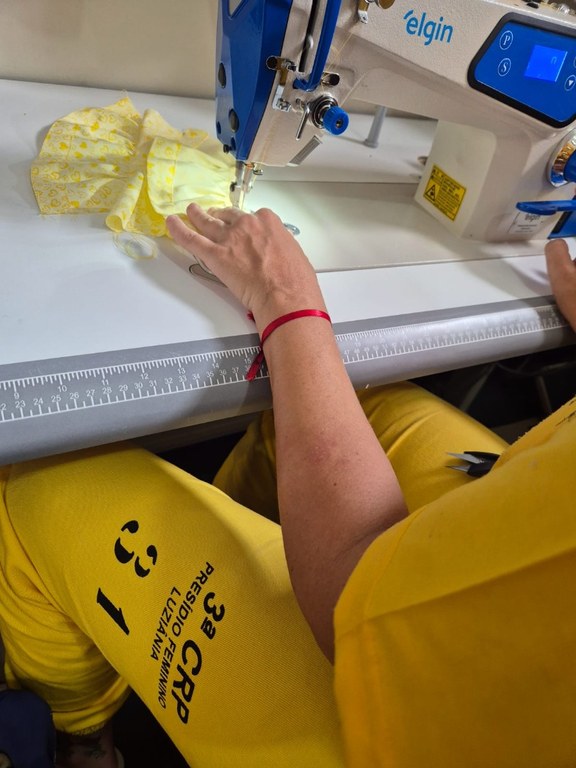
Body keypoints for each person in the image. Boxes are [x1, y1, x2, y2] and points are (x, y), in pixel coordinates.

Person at [0, 204, 574, 768]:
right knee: (359, 396)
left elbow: (354, 590)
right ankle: (242, 529)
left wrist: (286, 302)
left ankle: (81, 737)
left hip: (423, 726)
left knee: (44, 482)